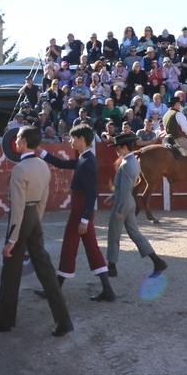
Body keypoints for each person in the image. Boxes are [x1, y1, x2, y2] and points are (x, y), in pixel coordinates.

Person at [0, 126, 73, 337]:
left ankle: (3, 320)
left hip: (22, 220)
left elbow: (17, 208)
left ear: (23, 142)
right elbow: (42, 200)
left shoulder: (19, 170)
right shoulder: (43, 165)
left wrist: (12, 240)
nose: (16, 142)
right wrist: (36, 224)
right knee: (46, 269)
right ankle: (64, 319)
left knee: (10, 272)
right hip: (34, 219)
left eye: (18, 139)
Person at [35, 124, 115, 302]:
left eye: (72, 138)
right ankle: (108, 291)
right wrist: (40, 151)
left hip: (80, 212)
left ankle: (54, 289)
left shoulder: (86, 162)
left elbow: (91, 194)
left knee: (69, 248)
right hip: (82, 212)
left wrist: (85, 219)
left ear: (81, 139)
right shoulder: (84, 159)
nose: (70, 141)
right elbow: (62, 163)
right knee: (92, 250)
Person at [105, 133, 169, 278]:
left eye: (118, 147)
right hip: (129, 201)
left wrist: (119, 208)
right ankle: (157, 261)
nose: (116, 150)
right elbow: (125, 187)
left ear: (124, 147)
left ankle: (112, 267)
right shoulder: (132, 161)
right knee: (135, 234)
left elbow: (126, 189)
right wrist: (113, 196)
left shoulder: (127, 164)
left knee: (113, 233)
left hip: (124, 201)